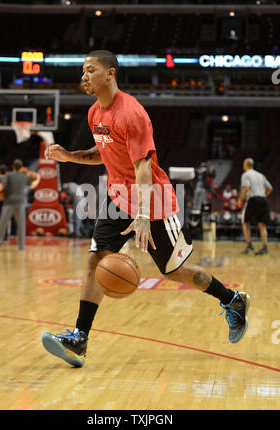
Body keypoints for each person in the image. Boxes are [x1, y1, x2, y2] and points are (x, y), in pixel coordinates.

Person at [41, 50, 251, 368]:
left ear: (110, 73)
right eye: (82, 71)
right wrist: (70, 156)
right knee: (95, 260)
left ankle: (231, 299)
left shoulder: (132, 113)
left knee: (174, 271)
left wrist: (141, 216)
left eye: (90, 70)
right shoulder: (94, 113)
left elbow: (143, 168)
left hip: (151, 202)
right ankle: (79, 338)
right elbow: (105, 153)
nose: (84, 76)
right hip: (117, 197)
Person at [0, 159, 40, 251]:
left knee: (2, 224)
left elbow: (1, 187)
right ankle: (22, 247)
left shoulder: (8, 175)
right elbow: (32, 185)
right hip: (20, 203)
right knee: (21, 226)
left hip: (9, 202)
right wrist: (38, 178)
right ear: (21, 167)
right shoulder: (24, 176)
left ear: (13, 166)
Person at [238, 158, 273, 255]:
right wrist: (263, 195)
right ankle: (265, 248)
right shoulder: (260, 175)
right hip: (263, 200)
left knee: (245, 222)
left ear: (245, 164)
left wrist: (240, 199)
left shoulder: (246, 174)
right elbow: (270, 188)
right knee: (262, 225)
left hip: (253, 200)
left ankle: (249, 245)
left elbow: (246, 187)